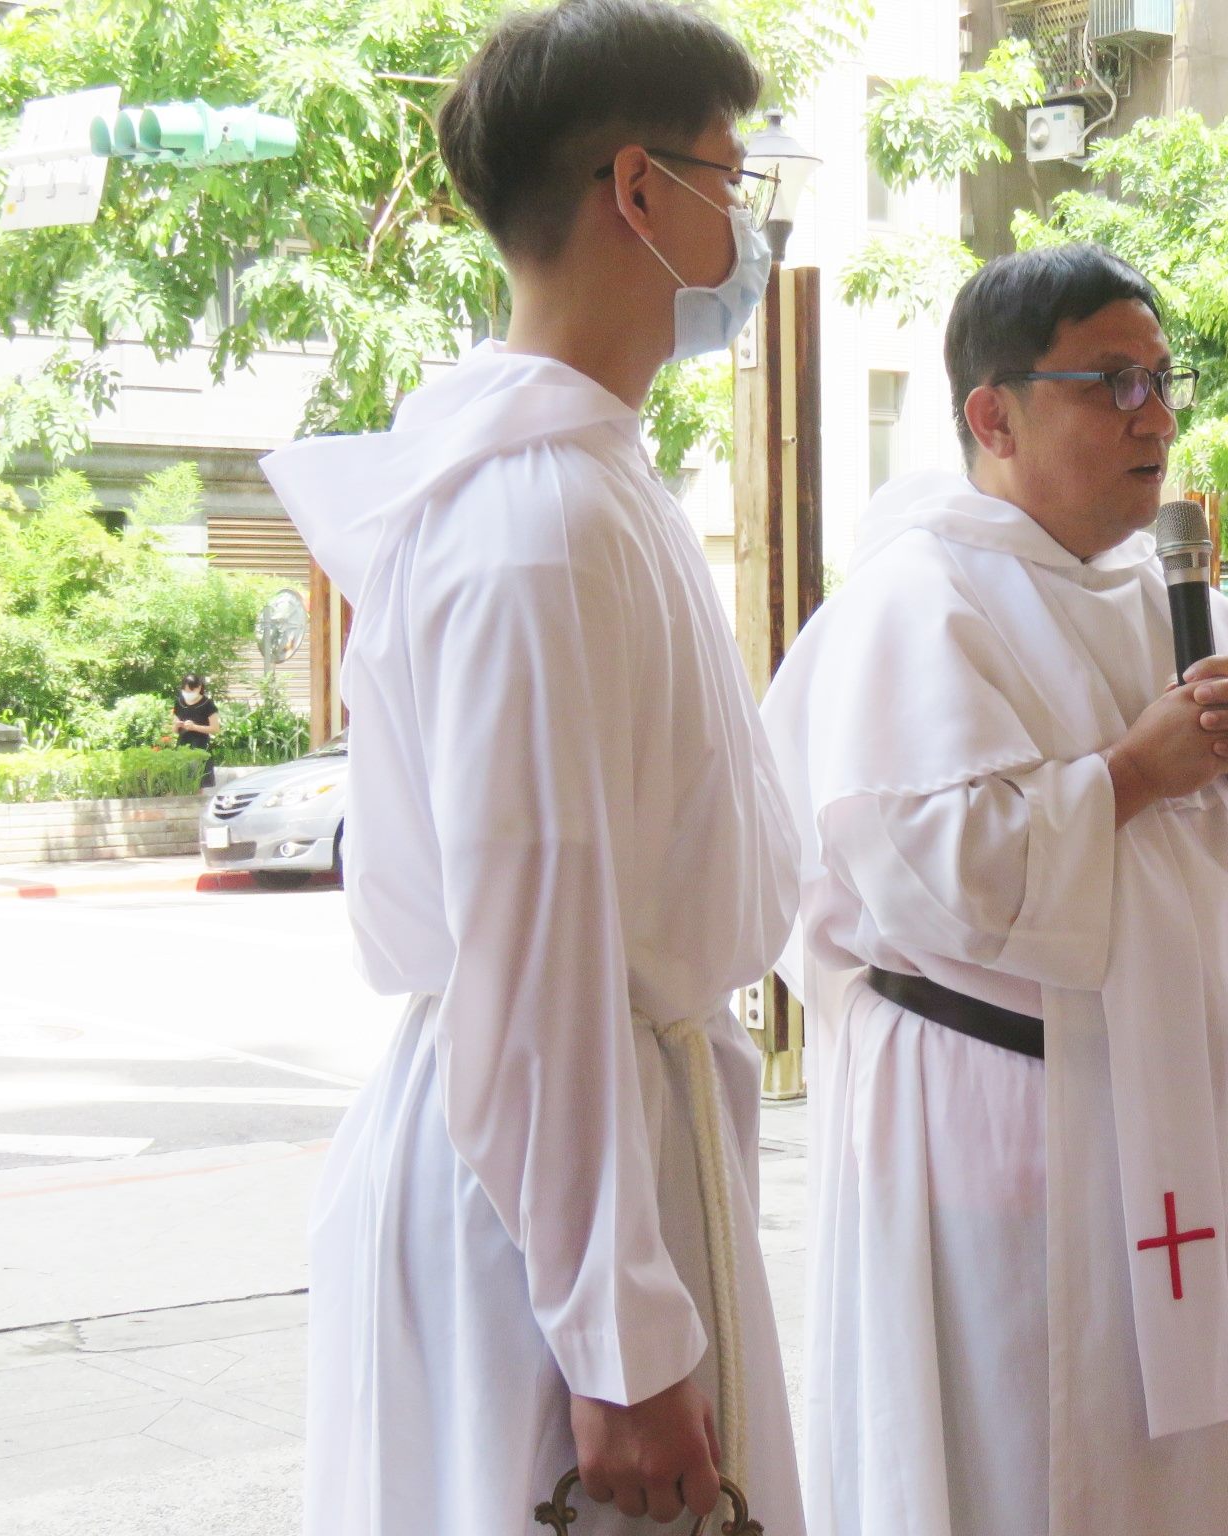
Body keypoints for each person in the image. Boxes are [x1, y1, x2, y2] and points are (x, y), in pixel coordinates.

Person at [258, 3, 804, 1531]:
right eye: (731, 179)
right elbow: (539, 949)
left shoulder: (581, 478)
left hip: (606, 1152)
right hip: (552, 1209)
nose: (749, 226)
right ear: (639, 192)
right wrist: (621, 1345)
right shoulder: (531, 528)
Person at [760, 244, 1228, 1536]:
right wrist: (1132, 775)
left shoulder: (1195, 606)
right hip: (1004, 1134)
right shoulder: (917, 601)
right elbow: (937, 871)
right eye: (1109, 382)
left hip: (1185, 1135)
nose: (1153, 414)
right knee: (1017, 1468)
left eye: (1161, 378)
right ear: (994, 415)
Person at [172, 673, 220, 786]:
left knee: (198, 781)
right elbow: (174, 728)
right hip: (183, 745)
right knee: (181, 781)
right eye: (185, 691)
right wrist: (177, 725)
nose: (187, 694)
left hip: (200, 745)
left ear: (198, 688)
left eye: (190, 691)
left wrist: (194, 727)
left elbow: (215, 729)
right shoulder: (179, 702)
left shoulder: (208, 704)